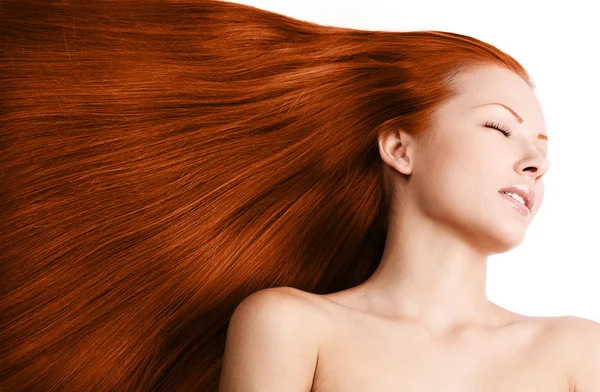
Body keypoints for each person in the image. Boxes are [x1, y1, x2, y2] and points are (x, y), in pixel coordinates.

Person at [1, 0, 598, 391]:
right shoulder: (291, 326)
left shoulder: (578, 350)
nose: (535, 160)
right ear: (399, 148)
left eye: (543, 147)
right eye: (499, 126)